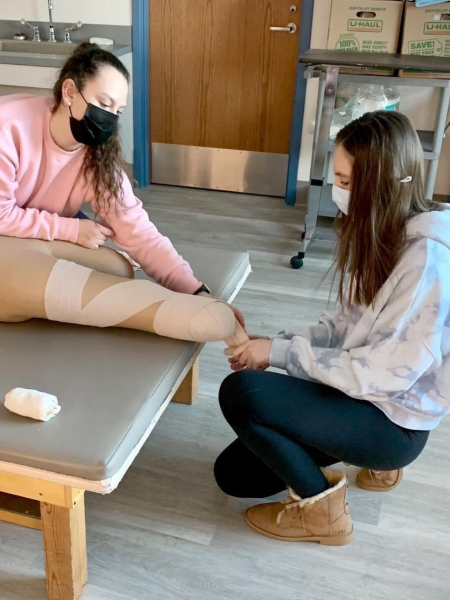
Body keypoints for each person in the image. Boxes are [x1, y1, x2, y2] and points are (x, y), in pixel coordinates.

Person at [216, 111, 450, 546]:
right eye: (336, 178)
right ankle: (361, 458)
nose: (336, 192)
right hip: (364, 392)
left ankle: (324, 512)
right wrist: (276, 344)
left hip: (393, 419)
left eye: (345, 182)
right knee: (233, 475)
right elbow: (344, 327)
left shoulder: (426, 262)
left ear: (381, 183)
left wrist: (279, 355)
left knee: (242, 393)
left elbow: (384, 377)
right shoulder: (382, 232)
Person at [0, 43, 246, 346]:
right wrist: (72, 229)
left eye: (118, 111)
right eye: (103, 103)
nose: (109, 117)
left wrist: (196, 292)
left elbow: (137, 230)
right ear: (69, 92)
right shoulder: (8, 127)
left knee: (120, 268)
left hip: (30, 230)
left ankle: (41, 293)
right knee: (18, 275)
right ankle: (161, 312)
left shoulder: (96, 155)